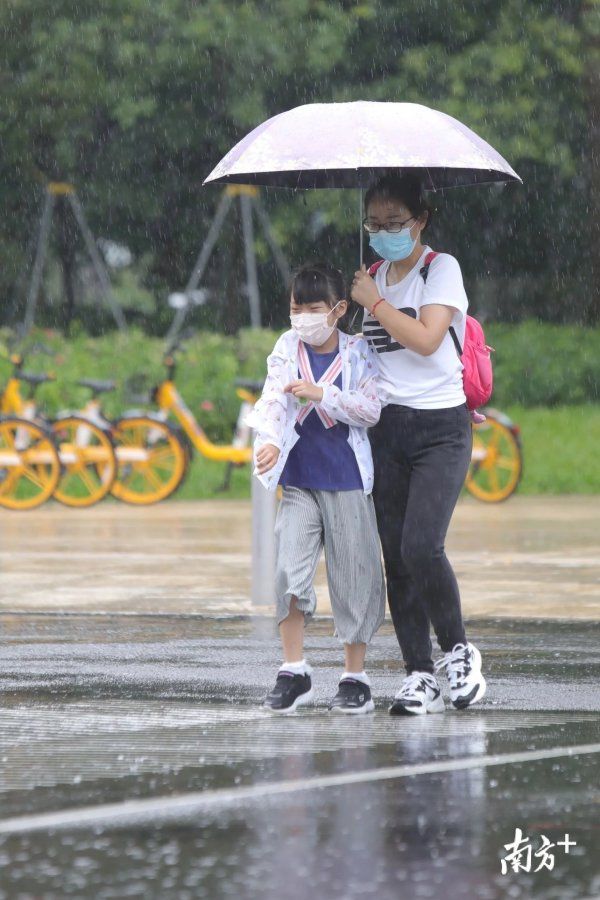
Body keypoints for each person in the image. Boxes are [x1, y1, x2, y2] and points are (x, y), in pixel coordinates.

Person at [350, 173, 486, 716]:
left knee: (422, 546)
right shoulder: (373, 276)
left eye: (394, 224)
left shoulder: (440, 269)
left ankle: (457, 651)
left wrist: (376, 304)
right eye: (374, 225)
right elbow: (369, 356)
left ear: (420, 221)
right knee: (396, 559)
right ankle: (418, 674)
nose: (383, 234)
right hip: (387, 430)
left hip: (440, 428)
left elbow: (429, 340)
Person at [247, 262, 386, 715]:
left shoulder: (359, 352)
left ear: (338, 309)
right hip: (299, 480)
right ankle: (294, 670)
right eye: (295, 308)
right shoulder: (287, 347)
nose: (302, 317)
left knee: (353, 576)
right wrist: (268, 440)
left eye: (312, 308)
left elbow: (370, 410)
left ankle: (354, 676)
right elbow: (271, 397)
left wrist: (322, 394)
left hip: (346, 480)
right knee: (288, 569)